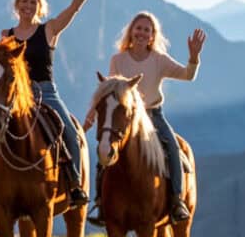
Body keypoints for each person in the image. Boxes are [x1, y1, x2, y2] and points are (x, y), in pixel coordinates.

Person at [0, 0, 103, 209]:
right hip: (16, 96)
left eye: (33, 2)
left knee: (70, 130)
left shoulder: (49, 30)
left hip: (46, 93)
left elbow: (74, 7)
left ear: (40, 6)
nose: (28, 5)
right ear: (17, 5)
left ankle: (74, 183)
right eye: (24, 1)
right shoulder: (7, 35)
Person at [84, 12, 206, 225]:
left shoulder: (159, 59)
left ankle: (177, 200)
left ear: (152, 36)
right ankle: (102, 203)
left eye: (146, 30)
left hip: (153, 116)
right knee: (106, 152)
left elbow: (188, 75)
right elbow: (110, 91)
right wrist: (94, 114)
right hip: (125, 117)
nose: (141, 33)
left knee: (173, 148)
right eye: (138, 28)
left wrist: (194, 57)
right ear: (131, 31)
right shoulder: (118, 60)